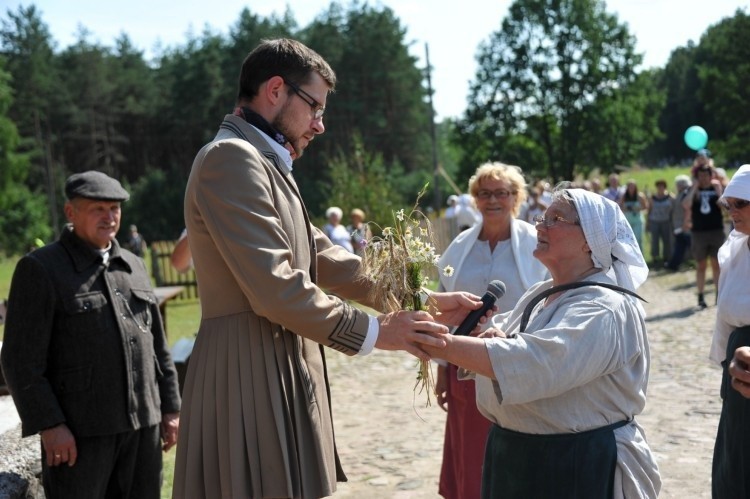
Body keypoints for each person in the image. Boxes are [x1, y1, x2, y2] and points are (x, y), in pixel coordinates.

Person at [172, 38, 484, 499]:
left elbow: (323, 257)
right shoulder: (231, 159)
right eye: (314, 107)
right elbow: (275, 287)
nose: (320, 125)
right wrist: (379, 332)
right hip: (245, 373)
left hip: (276, 361)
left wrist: (424, 302)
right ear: (275, 90)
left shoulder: (263, 161)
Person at [423, 187, 661, 498]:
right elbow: (511, 344)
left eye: (556, 219)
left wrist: (433, 341)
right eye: (542, 217)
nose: (540, 226)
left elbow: (535, 362)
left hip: (576, 463)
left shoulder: (603, 307)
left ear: (591, 239)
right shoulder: (542, 293)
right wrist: (494, 338)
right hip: (521, 458)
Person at [0, 170, 181, 499]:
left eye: (115, 208)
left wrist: (170, 409)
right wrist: (50, 425)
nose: (109, 217)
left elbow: (158, 346)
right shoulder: (41, 269)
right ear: (71, 212)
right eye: (98, 208)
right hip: (80, 437)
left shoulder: (133, 266)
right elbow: (19, 358)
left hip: (143, 427)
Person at [435, 162, 548, 499]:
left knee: (517, 453)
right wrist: (443, 368)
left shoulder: (537, 244)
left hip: (517, 364)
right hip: (465, 361)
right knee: (471, 454)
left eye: (502, 193)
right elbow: (443, 300)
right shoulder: (458, 247)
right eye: (485, 193)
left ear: (516, 197)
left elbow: (548, 298)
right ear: (475, 199)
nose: (493, 200)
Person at [709, 164, 750, 498]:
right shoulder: (734, 252)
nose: (732, 211)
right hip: (737, 365)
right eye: (729, 204)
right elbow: (724, 317)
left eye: (742, 203)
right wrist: (725, 366)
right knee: (735, 462)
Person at [683, 163, 724, 309]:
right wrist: (694, 188)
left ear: (711, 176)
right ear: (697, 177)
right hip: (699, 233)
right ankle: (700, 297)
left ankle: (719, 295)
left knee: (716, 264)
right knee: (701, 265)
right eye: (701, 176)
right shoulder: (693, 190)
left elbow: (723, 206)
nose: (704, 178)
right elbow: (686, 205)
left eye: (706, 175)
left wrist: (719, 191)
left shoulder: (716, 188)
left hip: (716, 231)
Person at [665, 174, 692, 271]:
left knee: (685, 245)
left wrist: (685, 222)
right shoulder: (683, 193)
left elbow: (686, 209)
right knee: (680, 245)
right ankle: (673, 265)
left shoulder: (685, 193)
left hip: (684, 225)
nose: (676, 186)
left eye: (677, 184)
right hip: (679, 225)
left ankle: (673, 265)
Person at [646, 179, 674, 266]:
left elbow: (674, 207)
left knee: (666, 240)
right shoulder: (652, 198)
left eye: (662, 186)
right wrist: (648, 222)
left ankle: (666, 257)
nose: (660, 188)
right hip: (654, 221)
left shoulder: (670, 197)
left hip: (666, 221)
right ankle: (655, 258)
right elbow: (649, 210)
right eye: (658, 186)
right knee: (655, 241)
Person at [618, 179, 648, 252]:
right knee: (628, 240)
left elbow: (645, 207)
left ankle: (640, 256)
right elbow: (620, 207)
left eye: (633, 186)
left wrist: (638, 208)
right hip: (627, 221)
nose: (631, 188)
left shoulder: (640, 196)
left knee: (638, 239)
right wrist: (625, 208)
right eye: (630, 186)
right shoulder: (624, 196)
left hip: (638, 220)